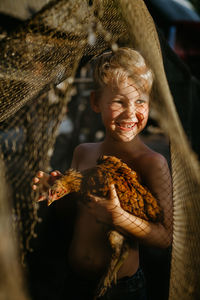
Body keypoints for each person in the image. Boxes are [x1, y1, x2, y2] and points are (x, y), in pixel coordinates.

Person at [32, 47, 173, 300]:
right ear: (96, 102)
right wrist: (55, 192)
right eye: (119, 101)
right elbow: (73, 214)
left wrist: (119, 217)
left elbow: (164, 237)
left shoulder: (152, 163)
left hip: (121, 289)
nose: (131, 113)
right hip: (75, 280)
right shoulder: (83, 152)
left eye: (140, 101)